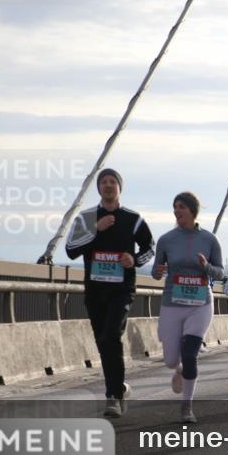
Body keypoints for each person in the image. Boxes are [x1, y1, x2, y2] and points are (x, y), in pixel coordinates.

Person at [65, 168, 154, 418]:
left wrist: (134, 259)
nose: (107, 185)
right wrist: (96, 228)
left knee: (111, 337)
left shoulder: (133, 218)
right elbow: (71, 249)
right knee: (104, 342)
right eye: (103, 182)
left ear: (119, 187)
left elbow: (150, 247)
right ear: (99, 188)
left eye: (112, 181)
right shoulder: (86, 218)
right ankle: (119, 387)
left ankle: (112, 396)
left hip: (122, 289)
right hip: (95, 290)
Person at [151, 192, 226, 424]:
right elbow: (155, 272)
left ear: (193, 210)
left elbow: (221, 273)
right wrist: (159, 271)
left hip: (200, 304)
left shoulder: (210, 240)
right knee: (171, 360)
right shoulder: (166, 239)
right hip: (173, 303)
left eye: (181, 207)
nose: (177, 211)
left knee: (190, 352)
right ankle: (179, 369)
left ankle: (187, 406)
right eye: (174, 207)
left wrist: (206, 267)